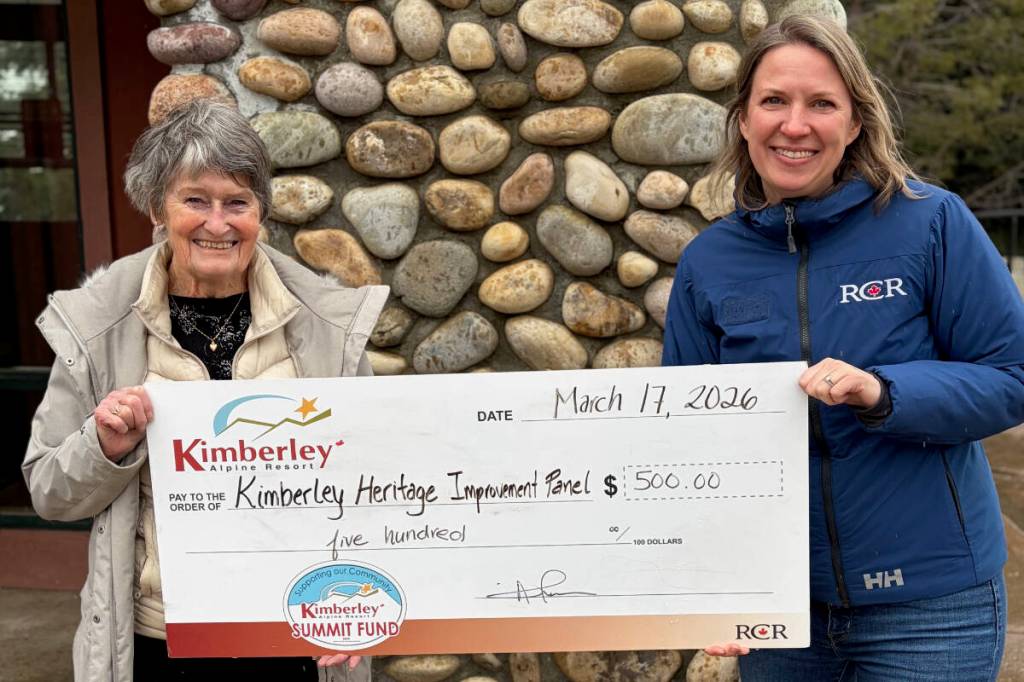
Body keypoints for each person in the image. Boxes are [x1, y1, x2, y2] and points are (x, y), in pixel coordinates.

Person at [662, 15, 1024, 682]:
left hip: (931, 607)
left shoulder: (931, 222)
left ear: (855, 121)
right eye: (774, 101)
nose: (794, 126)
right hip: (781, 614)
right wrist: (711, 584)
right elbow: (687, 443)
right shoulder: (708, 262)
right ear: (743, 119)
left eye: (821, 104)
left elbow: (1011, 376)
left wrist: (885, 393)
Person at [21, 100, 386, 681]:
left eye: (237, 202)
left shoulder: (325, 323)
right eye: (195, 200)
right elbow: (47, 490)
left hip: (293, 632)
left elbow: (378, 480)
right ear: (156, 208)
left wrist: (361, 603)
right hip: (156, 641)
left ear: (260, 213)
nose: (218, 224)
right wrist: (105, 445)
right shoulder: (95, 323)